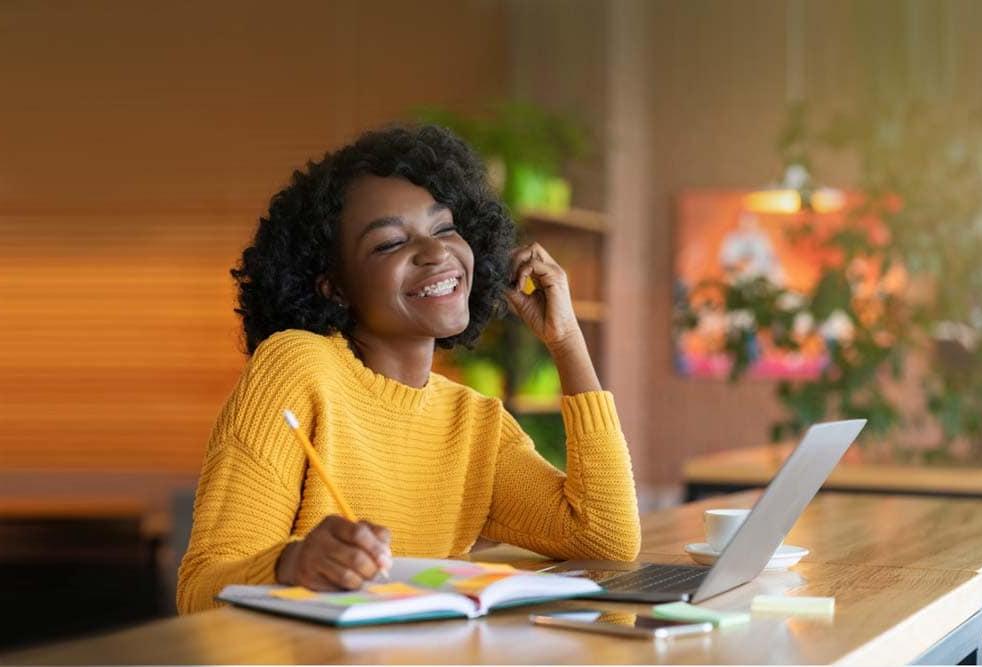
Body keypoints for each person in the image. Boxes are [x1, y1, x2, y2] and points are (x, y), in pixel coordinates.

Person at [176, 124, 641, 614]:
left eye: (444, 228)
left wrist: (565, 340)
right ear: (334, 286)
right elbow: (201, 590)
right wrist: (290, 565)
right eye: (389, 243)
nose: (437, 251)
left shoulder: (472, 421)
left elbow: (603, 538)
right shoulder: (298, 367)